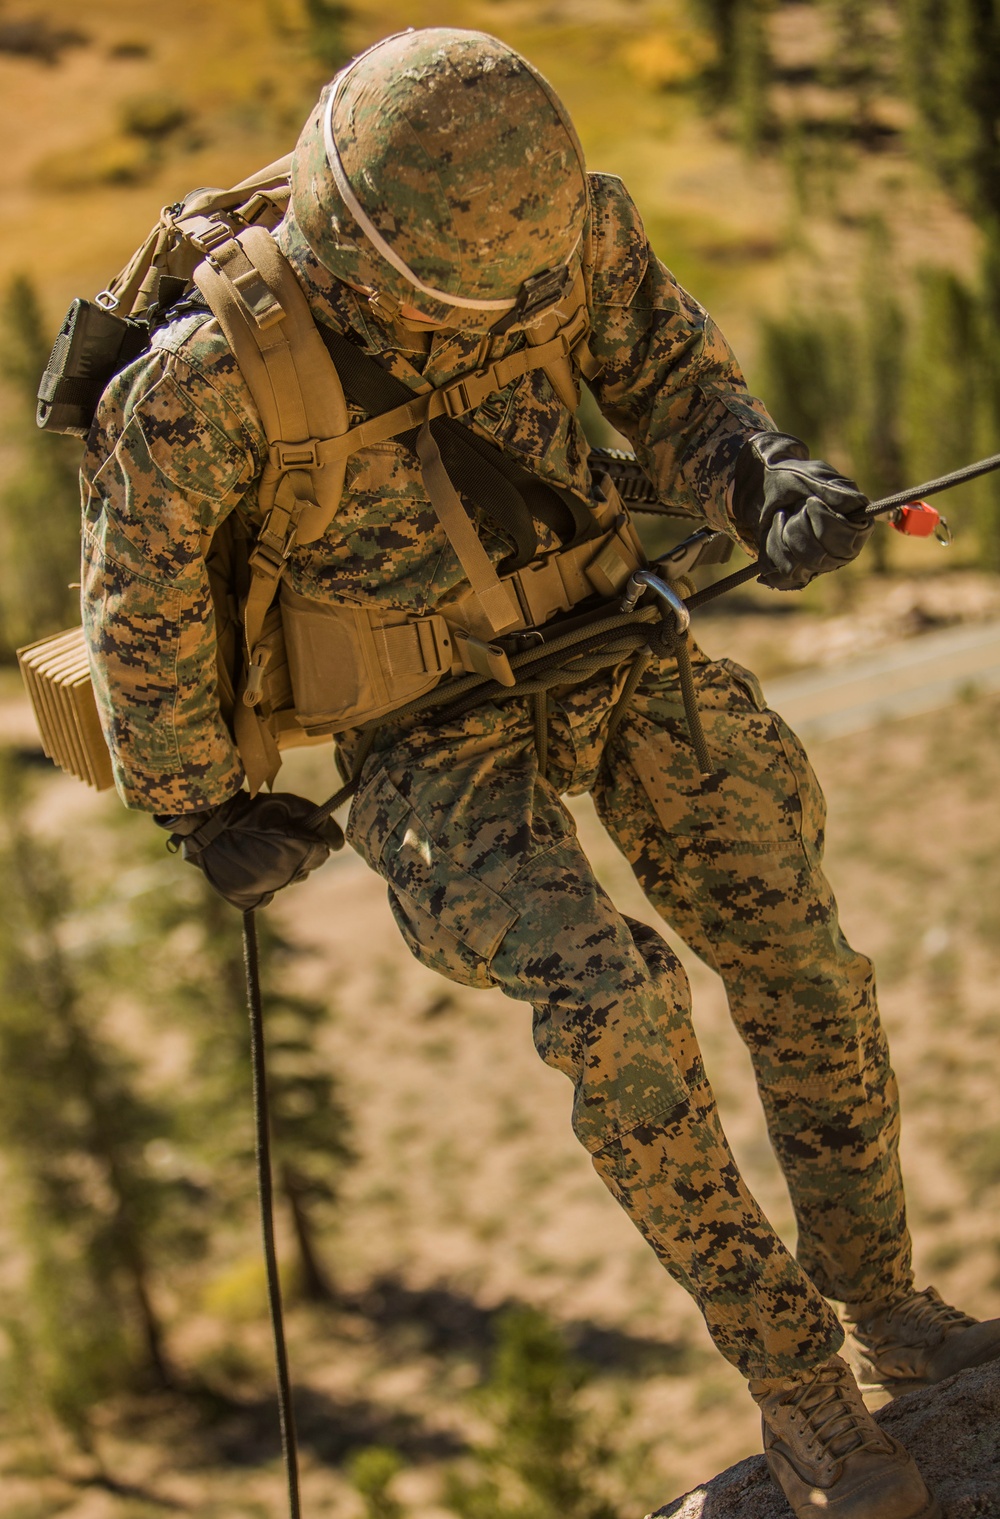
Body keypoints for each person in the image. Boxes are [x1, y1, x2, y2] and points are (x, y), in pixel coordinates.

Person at [80, 27, 999, 1518]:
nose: (501, 316)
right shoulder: (203, 382)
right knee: (615, 1007)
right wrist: (196, 800)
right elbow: (142, 600)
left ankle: (888, 1311)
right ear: (363, 252)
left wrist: (763, 481)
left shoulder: (579, 239)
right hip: (418, 725)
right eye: (462, 303)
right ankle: (802, 1390)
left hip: (611, 628)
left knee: (803, 960)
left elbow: (677, 383)